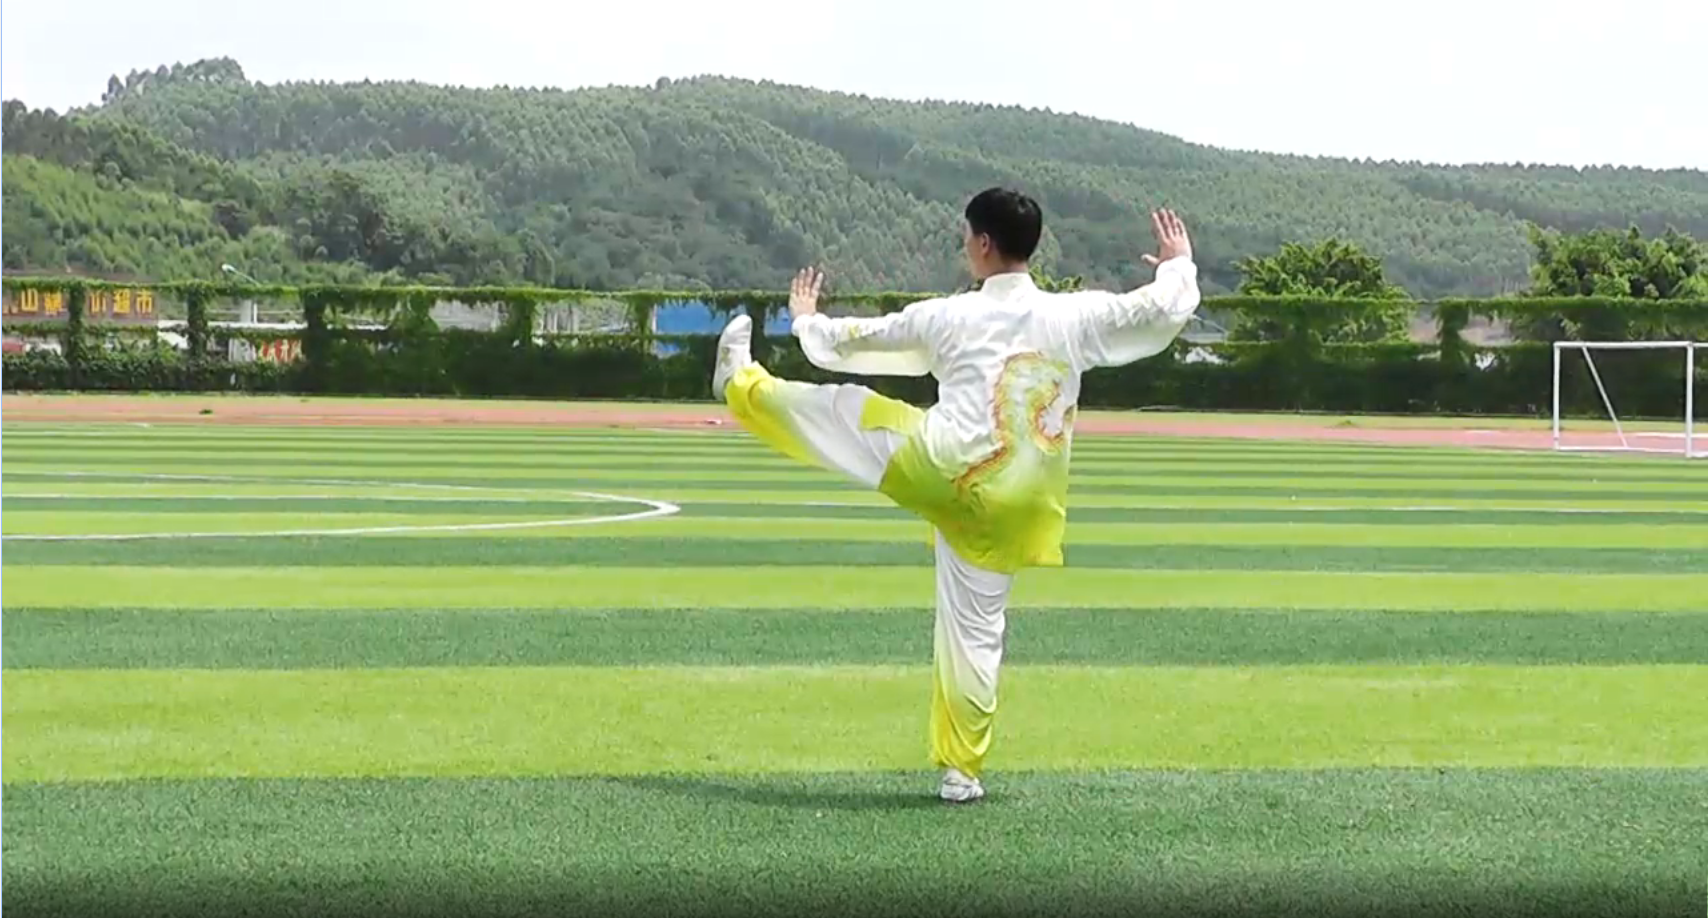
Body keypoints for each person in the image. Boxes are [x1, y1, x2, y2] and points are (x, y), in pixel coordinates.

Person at [711, 188, 1201, 802]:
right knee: (977, 633)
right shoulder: (1074, 316)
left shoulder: (949, 316)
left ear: (984, 243)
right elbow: (1157, 307)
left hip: (940, 466)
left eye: (967, 236)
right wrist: (1178, 262)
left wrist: (807, 320)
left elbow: (864, 339)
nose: (965, 245)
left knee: (846, 412)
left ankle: (741, 384)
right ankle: (961, 773)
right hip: (1018, 501)